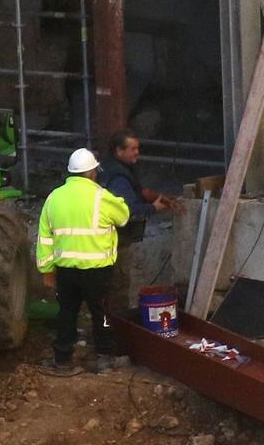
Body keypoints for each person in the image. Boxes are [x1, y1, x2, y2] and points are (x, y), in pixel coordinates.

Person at [37, 148, 130, 376]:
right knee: (102, 314)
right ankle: (104, 360)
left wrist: (47, 271)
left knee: (67, 313)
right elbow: (124, 216)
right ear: (92, 172)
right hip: (97, 271)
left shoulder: (53, 198)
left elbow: (44, 238)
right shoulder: (101, 196)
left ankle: (62, 361)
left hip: (65, 270)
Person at [99, 129, 172, 309]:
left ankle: (106, 323)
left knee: (106, 285)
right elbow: (129, 212)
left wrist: (145, 194)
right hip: (116, 239)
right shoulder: (118, 178)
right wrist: (154, 208)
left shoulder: (106, 167)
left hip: (102, 237)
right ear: (119, 151)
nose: (137, 152)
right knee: (118, 285)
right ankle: (116, 326)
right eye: (132, 149)